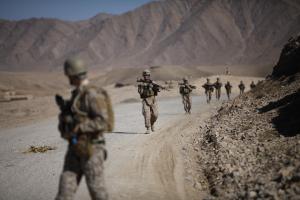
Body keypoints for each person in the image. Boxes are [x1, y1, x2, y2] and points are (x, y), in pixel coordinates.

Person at [55, 58, 114, 200]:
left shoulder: (92, 94)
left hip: (92, 150)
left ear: (73, 74)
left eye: (68, 75)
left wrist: (79, 127)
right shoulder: (77, 95)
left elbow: (104, 122)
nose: (68, 78)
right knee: (64, 192)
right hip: (75, 148)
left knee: (97, 191)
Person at [137, 69, 166, 134]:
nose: (146, 76)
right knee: (146, 114)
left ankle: (152, 123)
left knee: (155, 114)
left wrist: (159, 87)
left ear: (149, 76)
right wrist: (142, 86)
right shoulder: (141, 84)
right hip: (145, 100)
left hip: (153, 99)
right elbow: (140, 92)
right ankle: (148, 128)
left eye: (147, 75)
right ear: (143, 76)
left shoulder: (153, 82)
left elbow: (157, 88)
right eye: (144, 75)